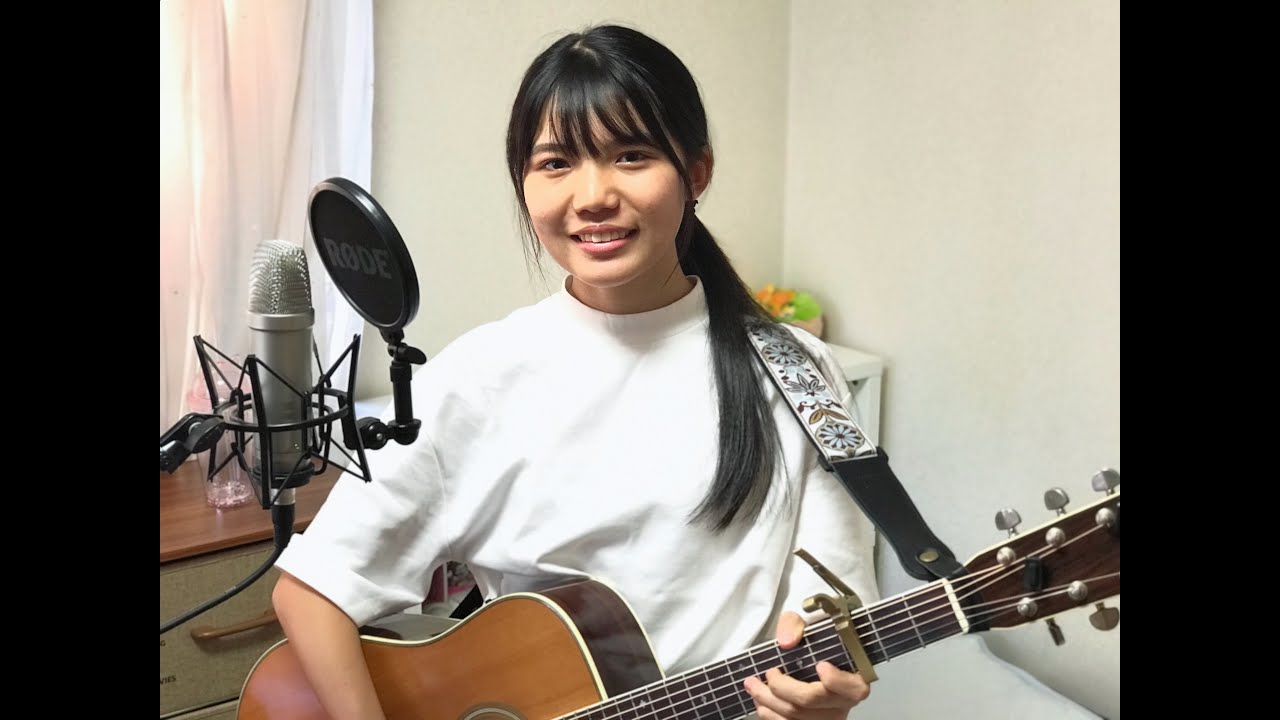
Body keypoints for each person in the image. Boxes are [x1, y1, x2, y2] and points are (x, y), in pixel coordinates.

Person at [272, 24, 880, 720]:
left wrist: (820, 696)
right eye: (556, 162)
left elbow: (835, 605)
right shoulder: (476, 378)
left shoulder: (799, 371)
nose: (592, 196)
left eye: (631, 155)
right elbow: (311, 590)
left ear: (696, 173)